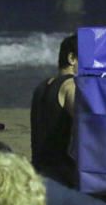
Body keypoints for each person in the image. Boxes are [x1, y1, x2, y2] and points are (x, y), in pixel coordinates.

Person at [30, 33, 78, 187]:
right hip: (62, 175)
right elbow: (87, 121)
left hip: (38, 169)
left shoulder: (42, 86)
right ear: (72, 58)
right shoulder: (70, 86)